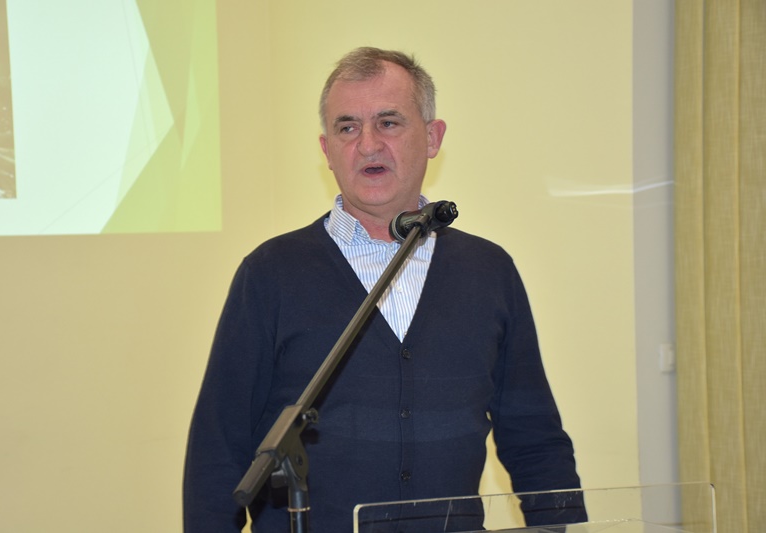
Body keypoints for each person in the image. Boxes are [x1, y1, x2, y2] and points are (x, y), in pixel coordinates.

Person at [183, 46, 586, 532]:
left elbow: (535, 440)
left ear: (433, 137)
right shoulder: (270, 274)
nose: (368, 144)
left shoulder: (488, 271)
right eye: (347, 128)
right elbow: (218, 453)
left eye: (388, 123)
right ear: (326, 149)